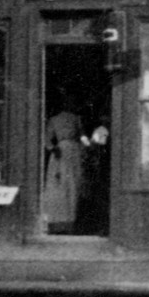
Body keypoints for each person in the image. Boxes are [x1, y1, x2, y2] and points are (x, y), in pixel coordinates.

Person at [43, 99, 87, 234]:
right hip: (61, 153)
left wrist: (87, 146)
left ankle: (71, 222)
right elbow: (47, 138)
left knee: (73, 185)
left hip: (74, 152)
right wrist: (53, 148)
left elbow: (82, 136)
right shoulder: (54, 120)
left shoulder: (76, 119)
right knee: (60, 185)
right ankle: (58, 223)